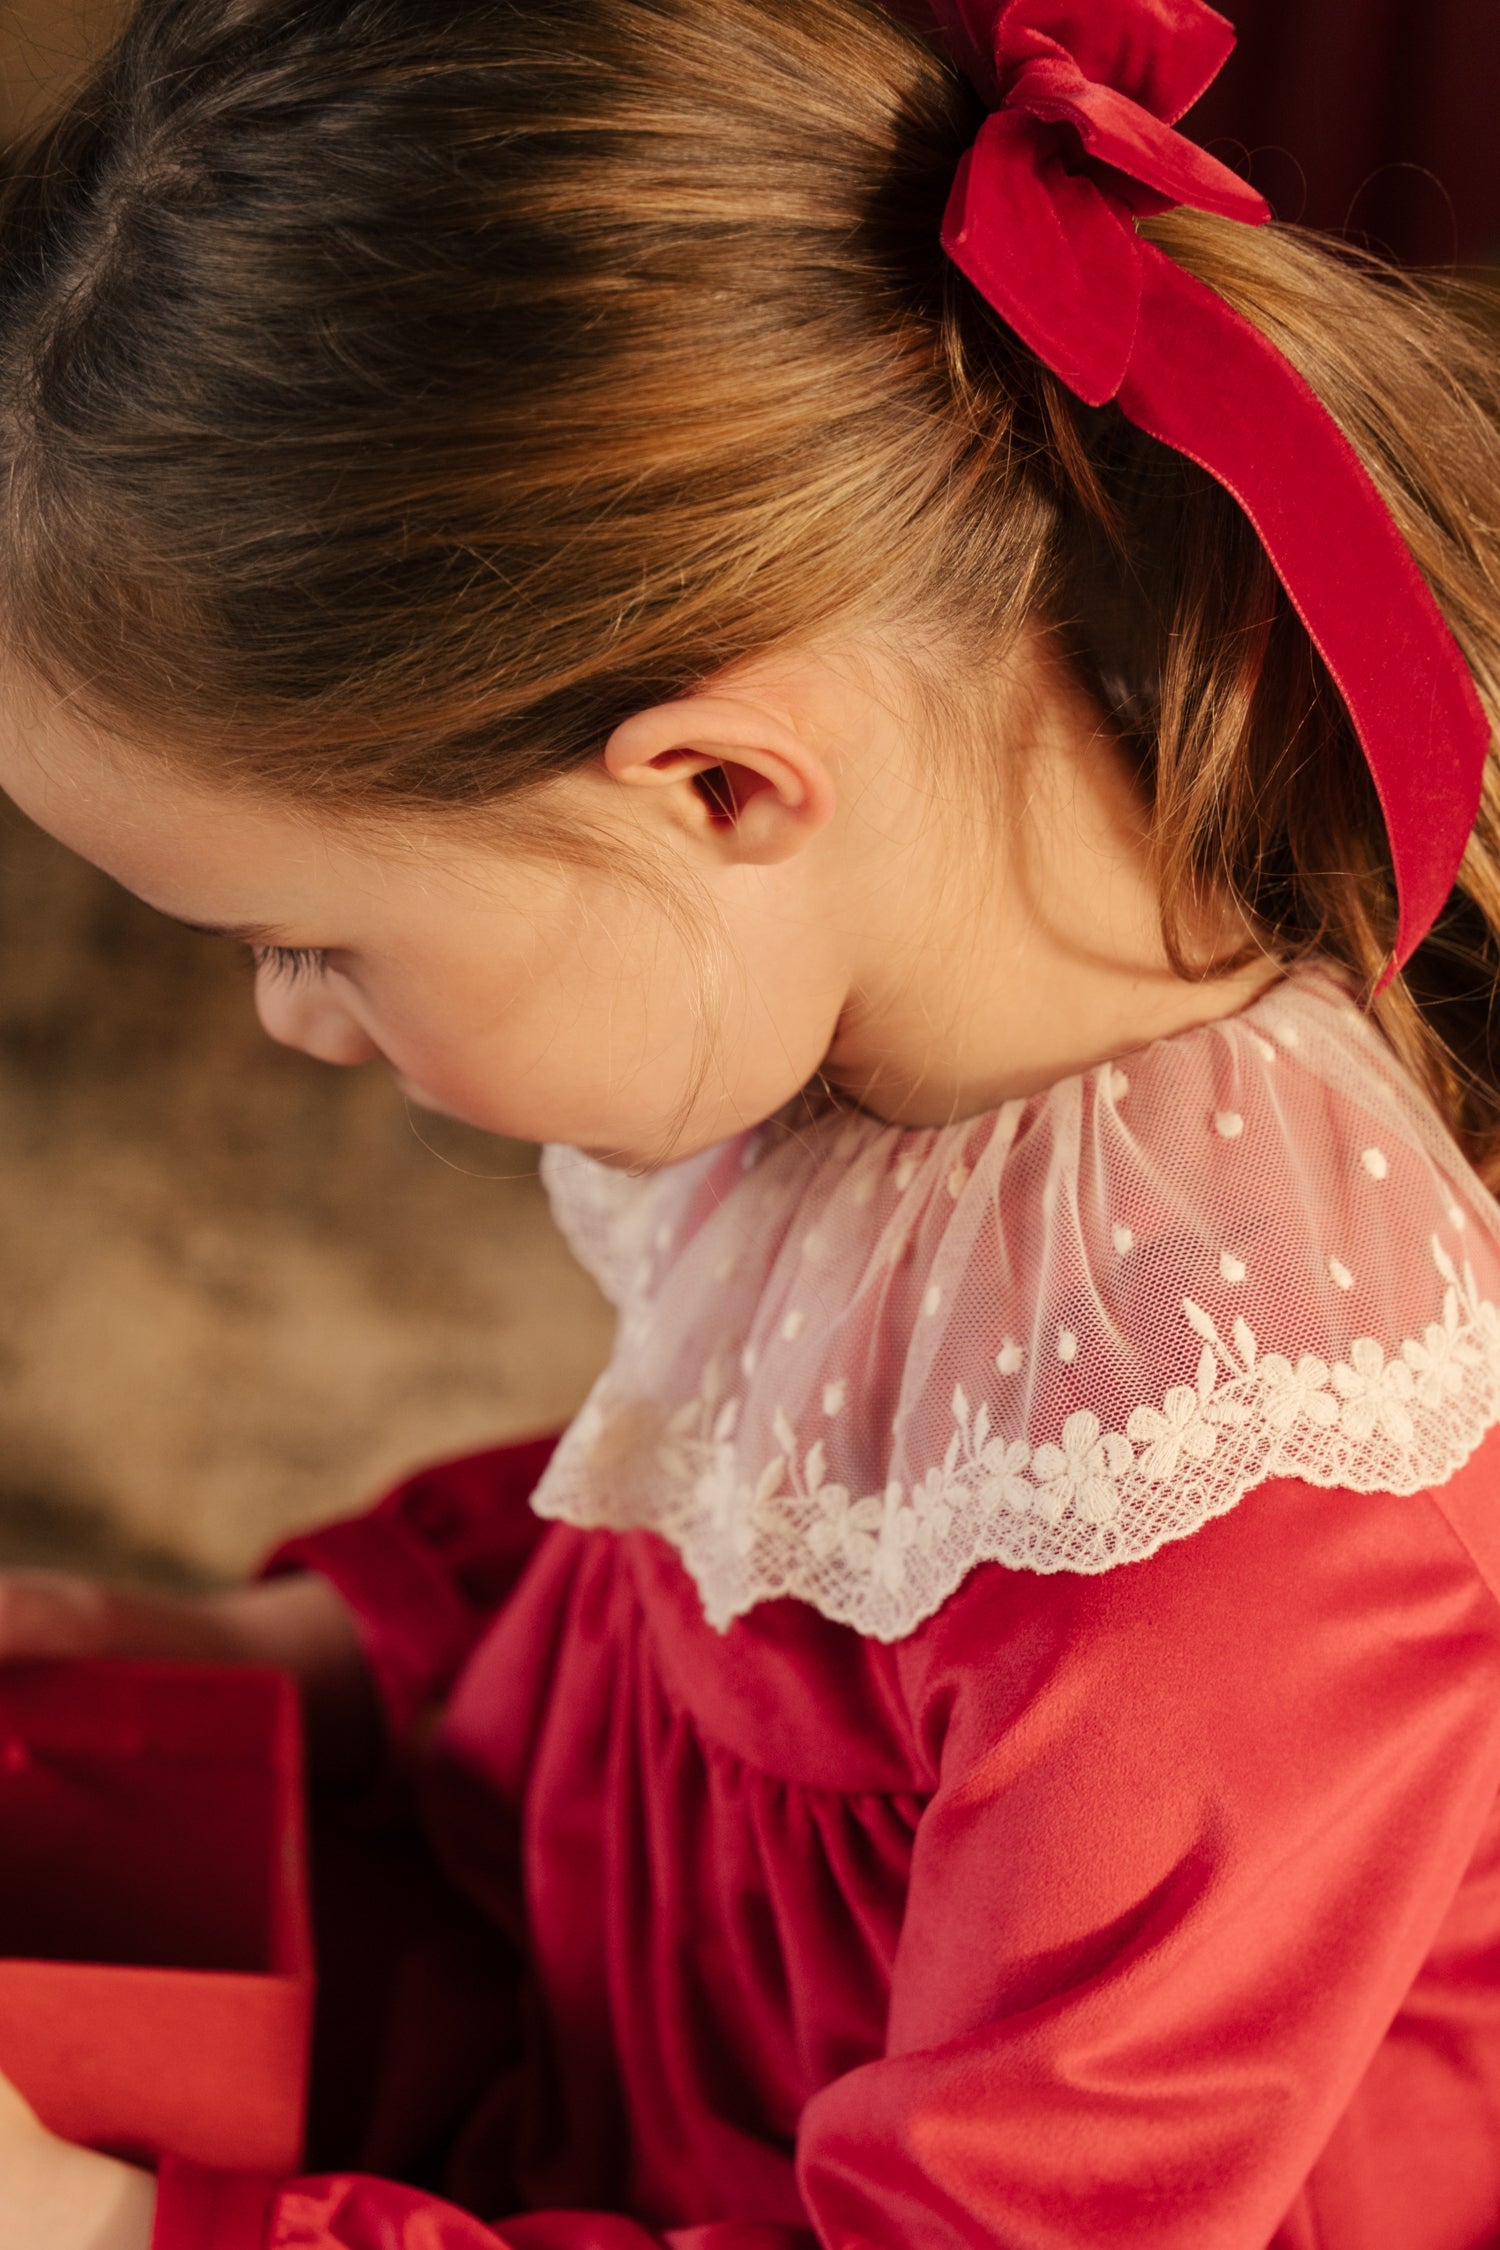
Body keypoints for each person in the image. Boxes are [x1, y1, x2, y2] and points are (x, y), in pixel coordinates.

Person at [1, 0, 1500, 2242]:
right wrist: (280, 1656)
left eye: (308, 939)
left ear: (714, 787)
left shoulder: (1229, 1500)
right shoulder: (846, 1016)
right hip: (626, 1995)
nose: (291, 1028)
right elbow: (719, 1549)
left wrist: (112, 2226)